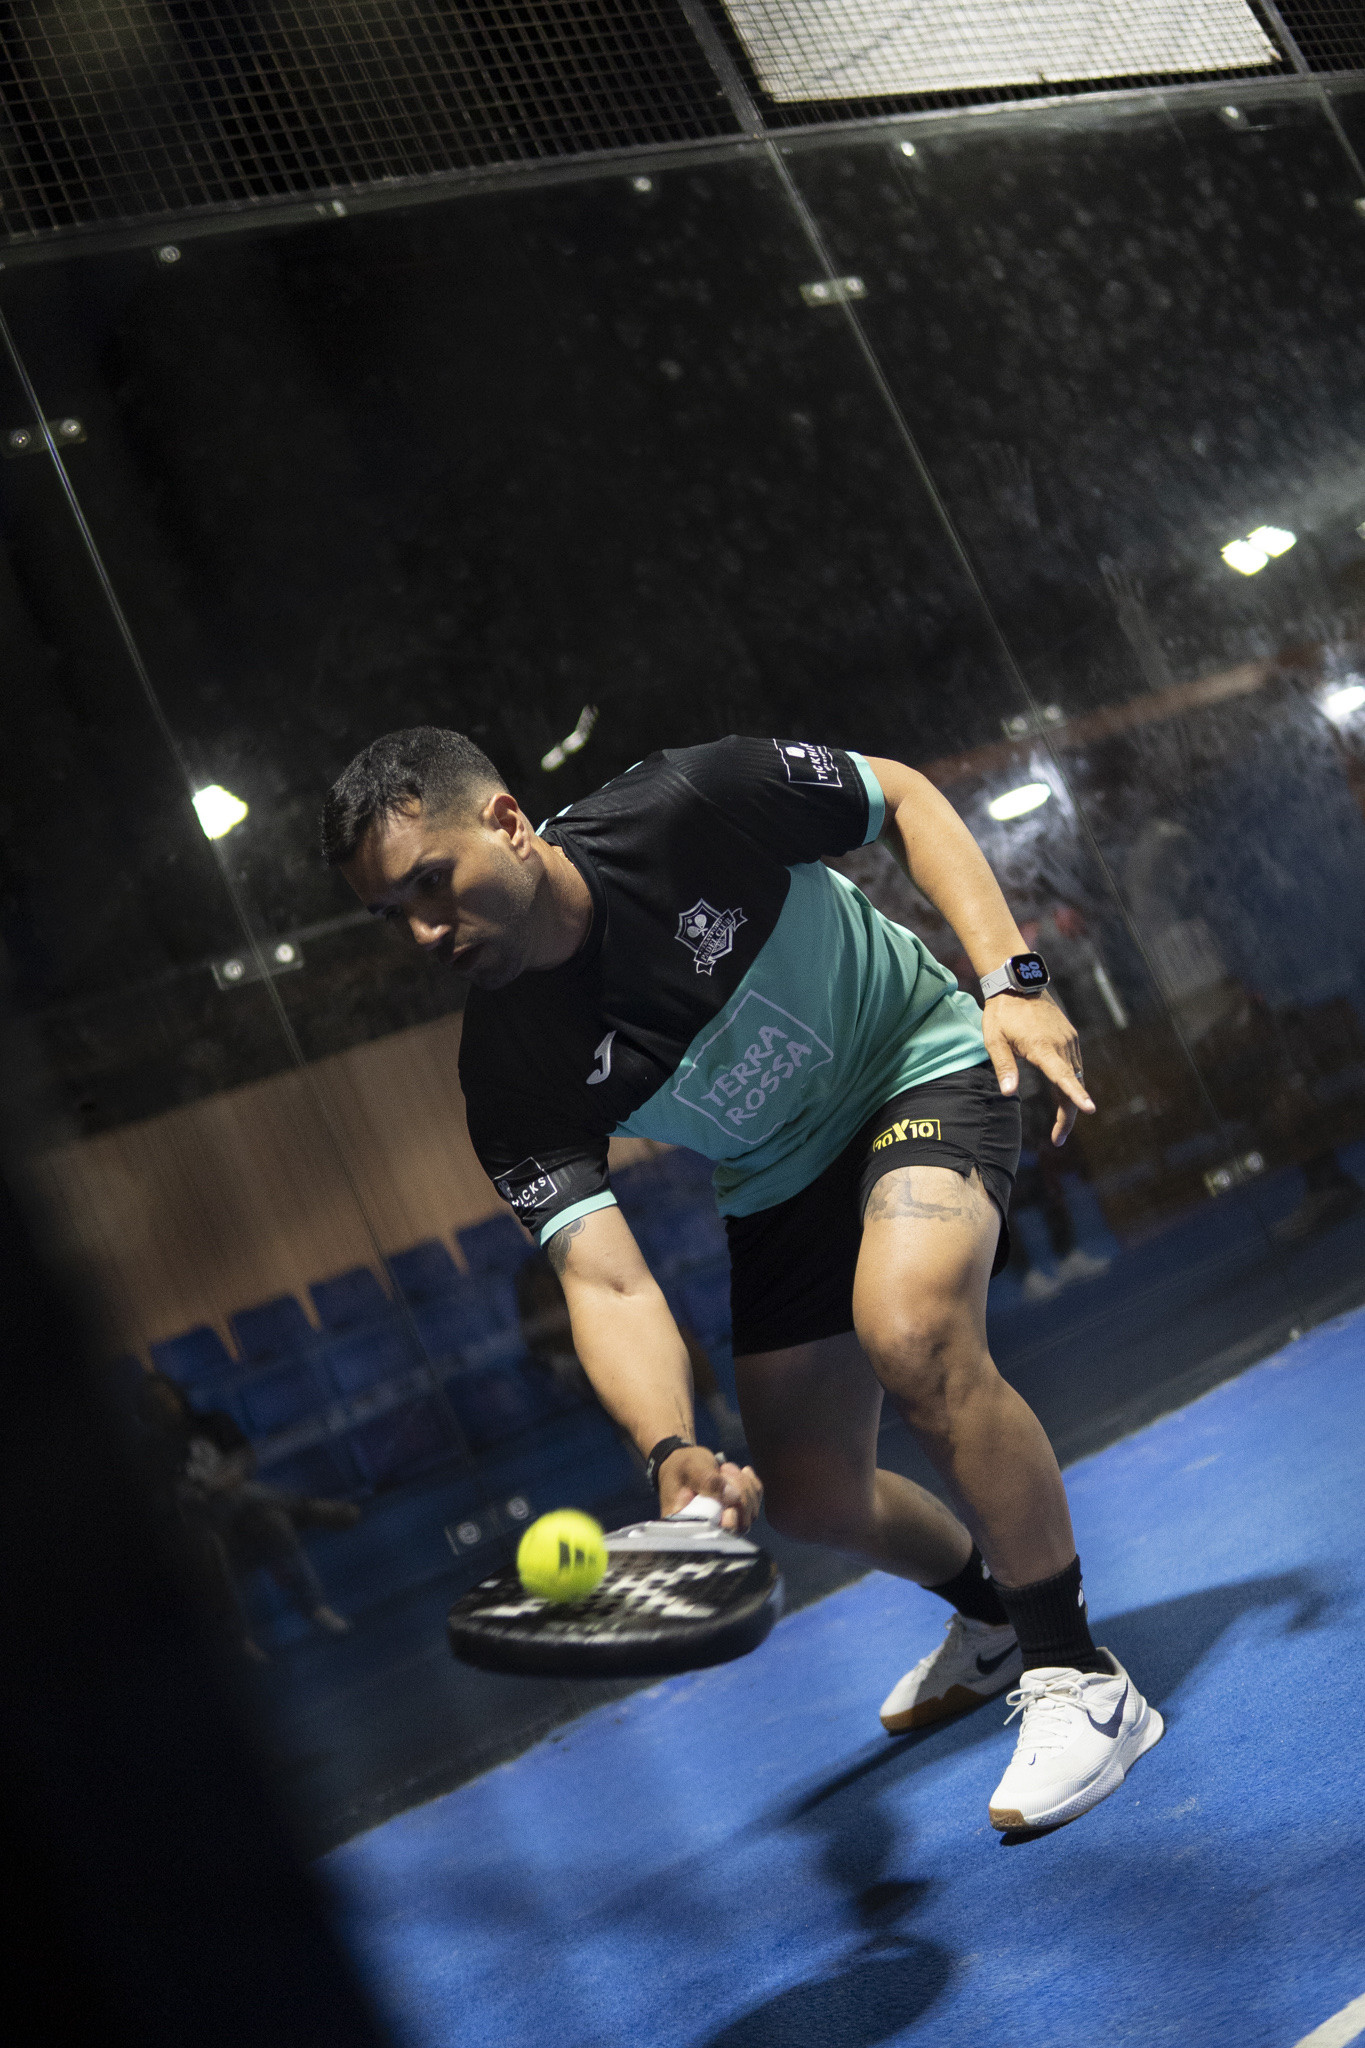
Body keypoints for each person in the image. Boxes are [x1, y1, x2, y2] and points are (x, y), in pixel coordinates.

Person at [322, 729, 1163, 1832]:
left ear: (508, 823)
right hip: (774, 1173)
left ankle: (1079, 1671)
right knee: (811, 1490)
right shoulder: (507, 1071)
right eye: (393, 914)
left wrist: (1011, 978)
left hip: (914, 1058)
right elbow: (606, 1283)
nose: (425, 932)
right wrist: (670, 1448)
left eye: (432, 882)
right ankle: (994, 1617)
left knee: (909, 1330)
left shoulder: (684, 806)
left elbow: (903, 795)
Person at [137, 1374, 359, 1659]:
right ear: (146, 1411)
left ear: (177, 1395)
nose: (164, 1406)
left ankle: (317, 1608)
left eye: (166, 1397)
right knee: (214, 1533)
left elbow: (245, 1460)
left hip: (242, 1510)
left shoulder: (213, 1422)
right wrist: (204, 1490)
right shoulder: (149, 1452)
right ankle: (308, 1509)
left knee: (273, 1520)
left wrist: (217, 1483)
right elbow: (169, 1502)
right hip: (203, 1523)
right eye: (154, 1403)